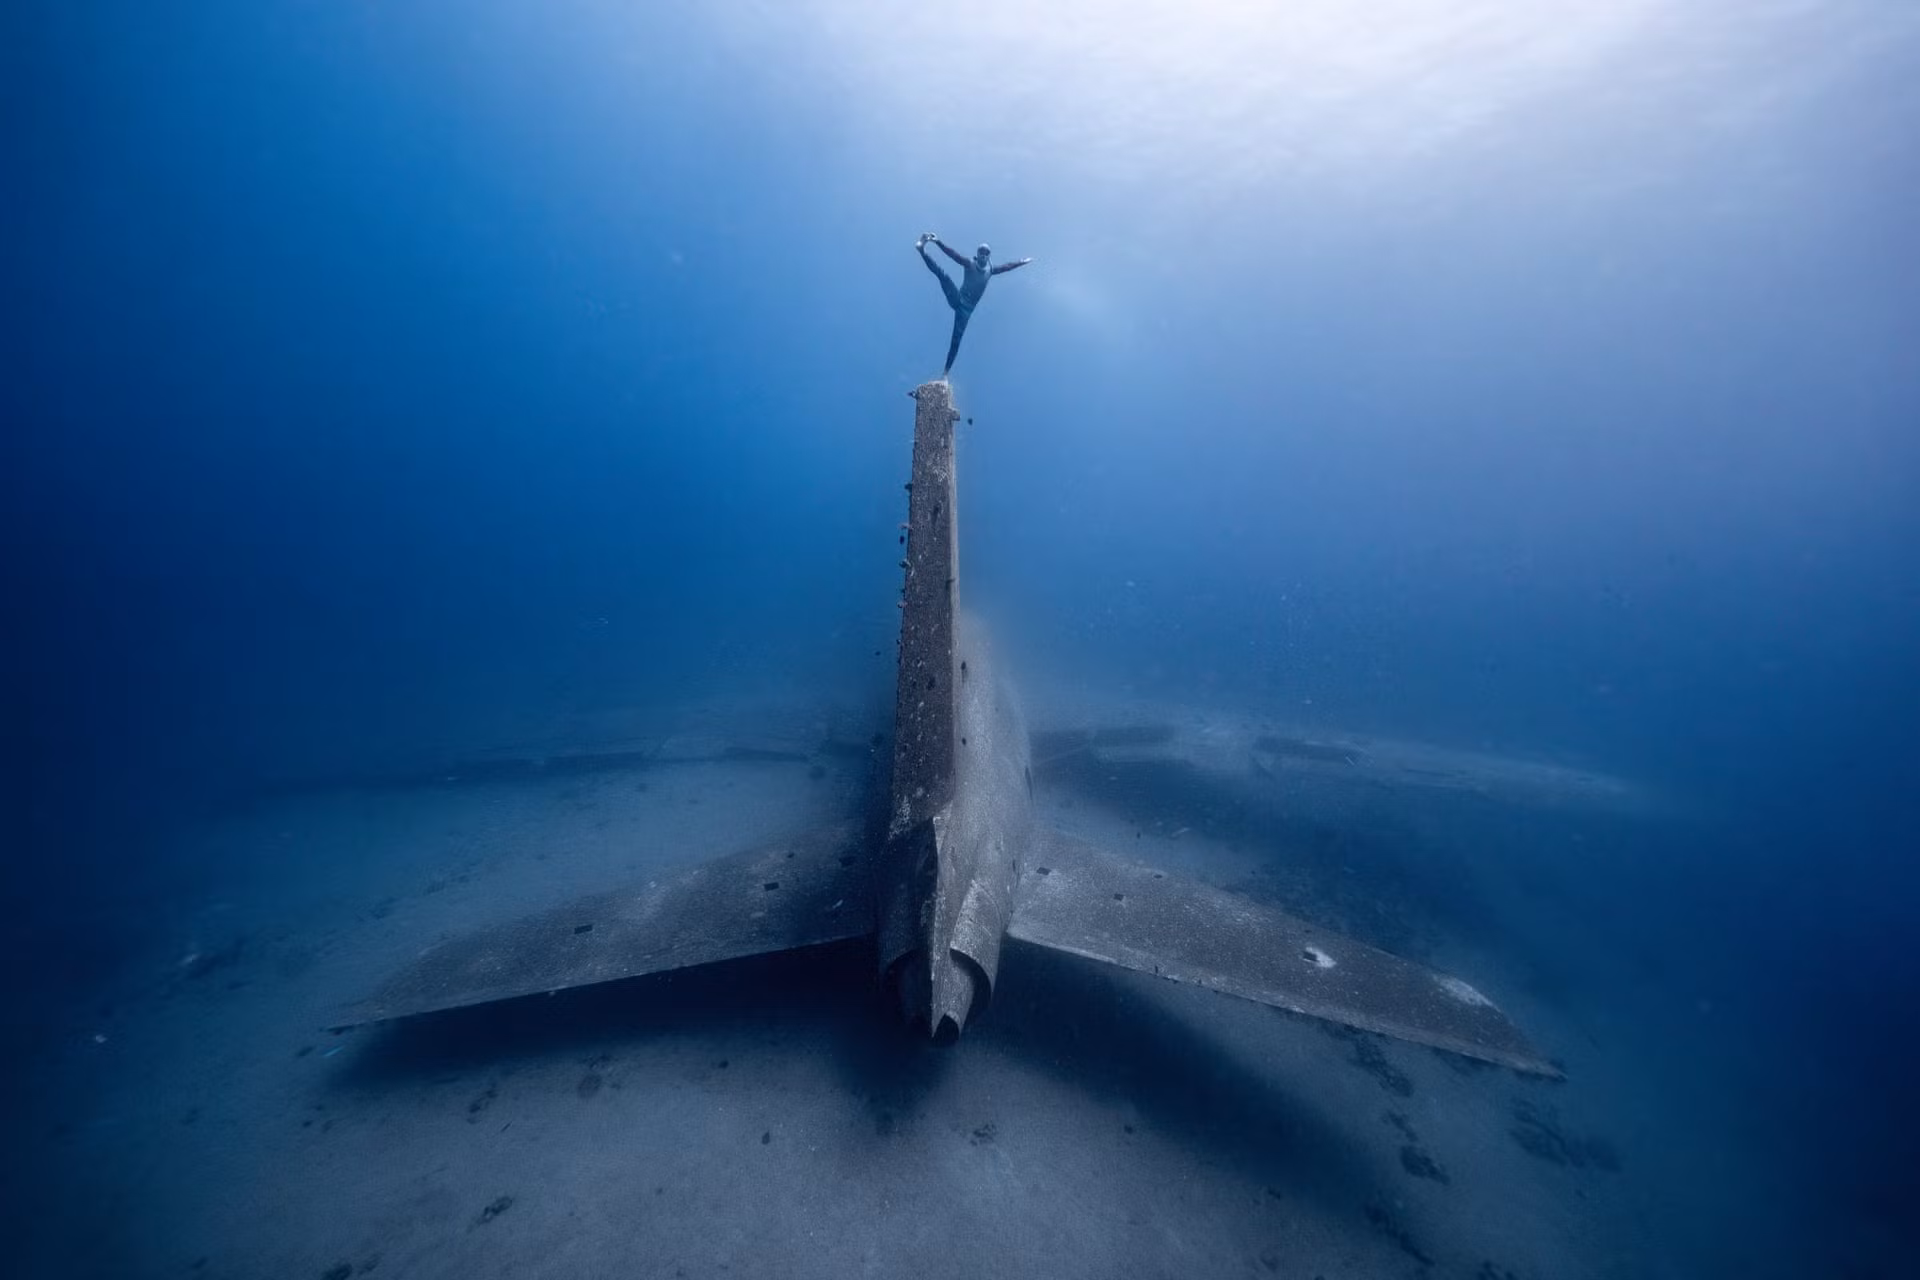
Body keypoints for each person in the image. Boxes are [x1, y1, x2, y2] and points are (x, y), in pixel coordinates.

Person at [916, 233, 1032, 374]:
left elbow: (1007, 266)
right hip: (958, 299)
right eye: (981, 252)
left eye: (986, 253)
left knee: (956, 339)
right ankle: (922, 251)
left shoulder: (991, 270)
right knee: (943, 276)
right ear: (977, 254)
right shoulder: (969, 263)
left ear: (989, 256)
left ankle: (945, 373)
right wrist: (938, 242)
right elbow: (953, 254)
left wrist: (1022, 261)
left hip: (966, 311)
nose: (983, 255)